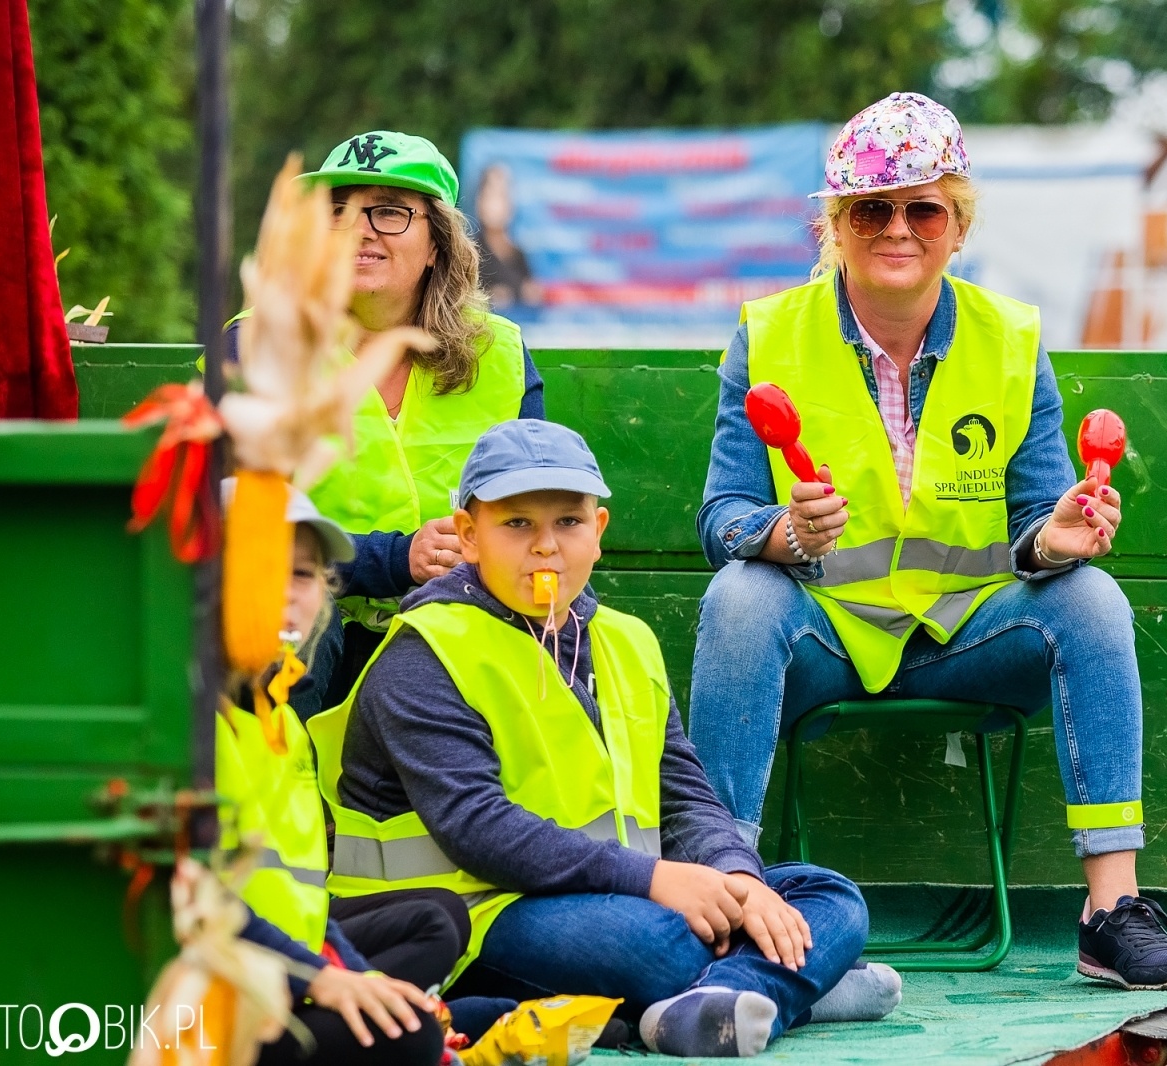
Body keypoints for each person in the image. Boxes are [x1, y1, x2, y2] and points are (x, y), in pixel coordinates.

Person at [687, 93, 1167, 991]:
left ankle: (1109, 912)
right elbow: (720, 515)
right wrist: (776, 532)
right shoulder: (766, 335)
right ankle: (726, 896)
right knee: (738, 595)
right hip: (825, 635)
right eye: (870, 209)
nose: (898, 228)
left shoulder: (1013, 341)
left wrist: (1059, 539)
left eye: (922, 207)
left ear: (957, 224)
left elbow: (1029, 529)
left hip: (966, 636)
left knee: (1092, 600)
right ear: (835, 226)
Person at [306, 421, 902, 1059]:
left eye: (568, 522)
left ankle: (731, 998)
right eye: (516, 525)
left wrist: (735, 876)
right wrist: (660, 880)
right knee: (656, 943)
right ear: (469, 535)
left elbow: (685, 798)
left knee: (826, 893)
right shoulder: (427, 651)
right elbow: (478, 827)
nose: (545, 548)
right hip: (470, 915)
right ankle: (793, 983)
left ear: (600, 531)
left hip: (614, 888)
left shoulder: (627, 640)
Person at [228, 131, 547, 712]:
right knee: (284, 628)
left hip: (451, 625)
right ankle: (269, 803)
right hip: (305, 619)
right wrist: (397, 559)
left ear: (437, 246)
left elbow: (536, 513)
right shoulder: (257, 341)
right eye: (338, 212)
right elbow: (231, 516)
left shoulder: (499, 355)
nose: (361, 229)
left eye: (391, 212)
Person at [216, 480, 475, 1065]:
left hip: (276, 971)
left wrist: (357, 979)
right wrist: (321, 981)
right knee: (409, 1037)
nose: (285, 594)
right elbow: (190, 905)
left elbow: (298, 903)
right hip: (203, 998)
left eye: (304, 574)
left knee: (431, 934)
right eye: (257, 567)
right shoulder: (188, 716)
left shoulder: (278, 717)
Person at [473, 164, 542, 309]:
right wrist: (489, 296)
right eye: (491, 194)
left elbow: (532, 293)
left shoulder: (518, 254)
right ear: (479, 201)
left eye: (503, 195)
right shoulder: (469, 253)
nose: (497, 204)